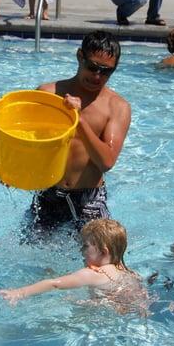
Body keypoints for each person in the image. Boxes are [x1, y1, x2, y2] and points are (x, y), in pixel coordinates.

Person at [29, 31, 131, 231]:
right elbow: (30, 144)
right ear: (79, 56)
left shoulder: (117, 107)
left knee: (102, 260)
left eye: (106, 71)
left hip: (89, 199)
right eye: (92, 67)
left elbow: (106, 162)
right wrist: (13, 172)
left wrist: (79, 120)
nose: (97, 76)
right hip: (48, 193)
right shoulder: (47, 94)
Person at [0, 219, 149, 315]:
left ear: (103, 252)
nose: (81, 251)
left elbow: (54, 284)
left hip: (103, 317)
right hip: (130, 312)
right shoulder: (128, 272)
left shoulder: (93, 274)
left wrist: (20, 292)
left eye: (85, 246)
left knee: (67, 300)